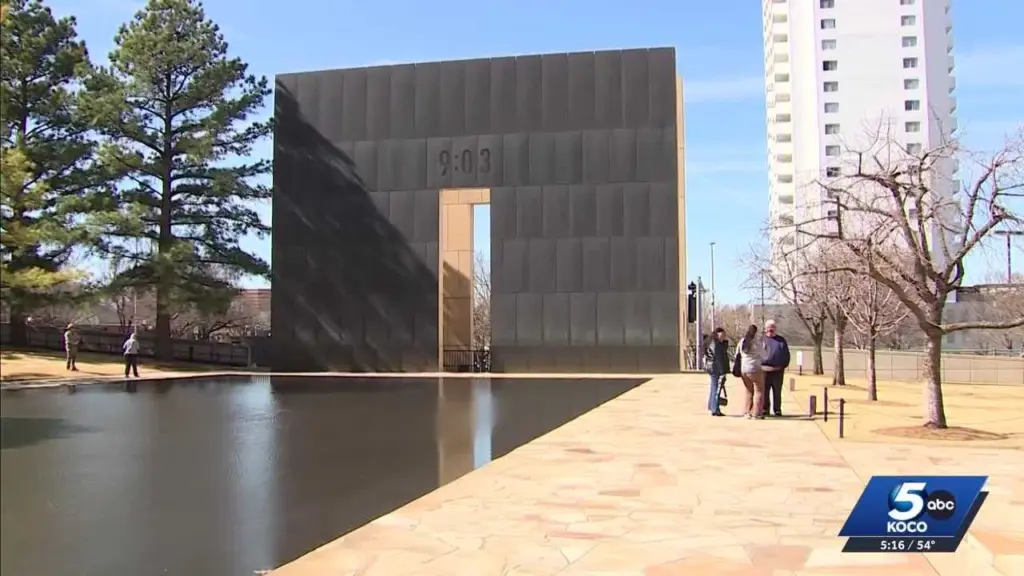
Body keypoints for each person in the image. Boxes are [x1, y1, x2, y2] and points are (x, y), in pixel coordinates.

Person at [760, 319, 791, 416]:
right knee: (765, 391)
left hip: (778, 371)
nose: (770, 329)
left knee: (777, 391)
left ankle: (777, 409)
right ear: (765, 329)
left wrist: (783, 365)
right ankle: (765, 409)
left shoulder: (781, 340)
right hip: (764, 370)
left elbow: (786, 354)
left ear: (775, 328)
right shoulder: (761, 340)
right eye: (769, 327)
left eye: (772, 327)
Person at [738, 324, 766, 420]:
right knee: (759, 390)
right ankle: (756, 413)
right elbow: (764, 356)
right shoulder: (756, 343)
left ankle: (747, 412)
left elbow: (737, 354)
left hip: (744, 369)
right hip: (754, 368)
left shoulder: (742, 342)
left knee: (749, 390)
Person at [704, 327, 730, 416]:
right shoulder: (716, 343)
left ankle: (712, 406)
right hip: (716, 367)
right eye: (722, 334)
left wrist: (725, 342)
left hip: (711, 366)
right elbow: (718, 357)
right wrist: (722, 371)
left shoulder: (712, 342)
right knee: (716, 388)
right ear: (717, 334)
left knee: (713, 387)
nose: (724, 336)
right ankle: (715, 409)